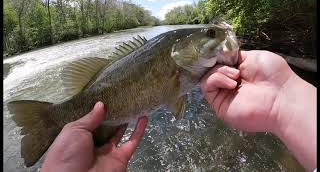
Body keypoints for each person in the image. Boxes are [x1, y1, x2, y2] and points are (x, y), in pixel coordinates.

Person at [41, 50, 316, 172]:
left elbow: (176, 96)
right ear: (178, 52)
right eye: (210, 35)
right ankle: (49, 117)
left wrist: (281, 101)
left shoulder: (184, 72)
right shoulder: (177, 69)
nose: (217, 39)